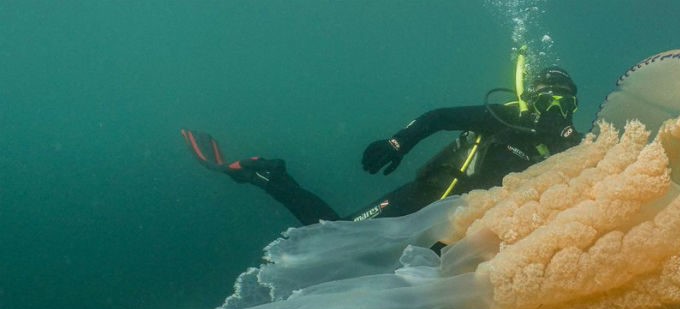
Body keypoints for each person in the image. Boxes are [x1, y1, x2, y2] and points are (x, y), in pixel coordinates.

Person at [182, 66, 583, 226]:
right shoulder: (507, 116)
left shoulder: (575, 148)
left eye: (564, 103)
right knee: (338, 237)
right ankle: (272, 175)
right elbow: (438, 117)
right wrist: (398, 143)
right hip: (425, 197)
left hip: (464, 231)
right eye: (546, 99)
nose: (554, 109)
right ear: (531, 98)